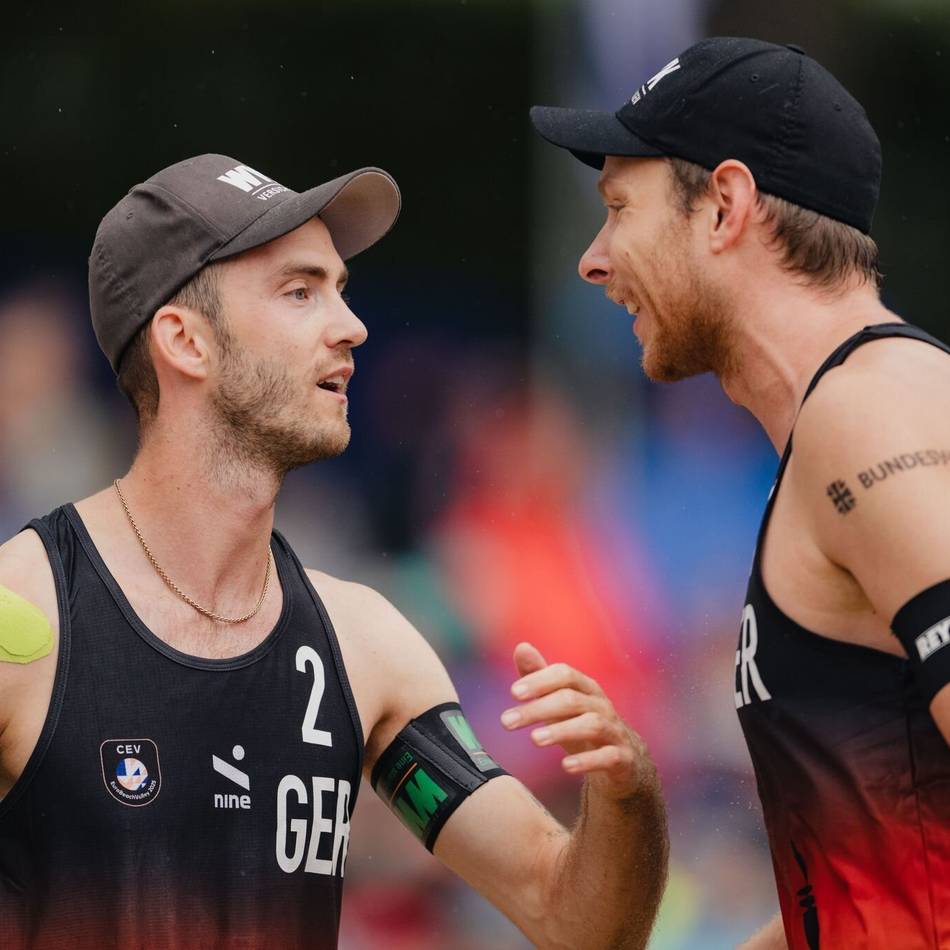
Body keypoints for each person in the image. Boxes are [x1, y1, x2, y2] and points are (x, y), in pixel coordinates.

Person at [0, 154, 668, 948]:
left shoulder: (364, 649)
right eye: (300, 291)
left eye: (341, 291)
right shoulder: (27, 618)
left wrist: (630, 796)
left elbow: (577, 922)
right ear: (185, 341)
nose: (351, 326)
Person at [530, 35, 950, 950]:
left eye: (617, 209)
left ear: (724, 205)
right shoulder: (841, 427)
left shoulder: (870, 417)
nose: (593, 260)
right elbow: (870, 886)